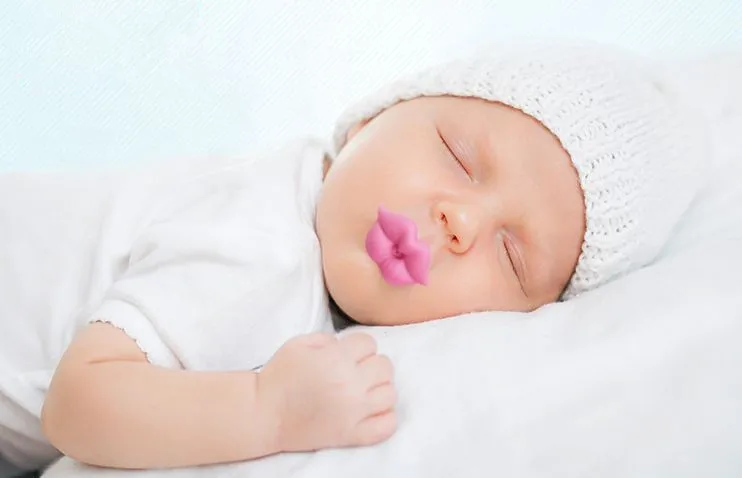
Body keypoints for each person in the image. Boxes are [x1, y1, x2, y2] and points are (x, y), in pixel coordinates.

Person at [0, 43, 703, 473]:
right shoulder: (261, 245)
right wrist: (267, 410)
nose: (461, 221)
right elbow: (79, 405)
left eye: (511, 256)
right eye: (459, 156)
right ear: (368, 119)